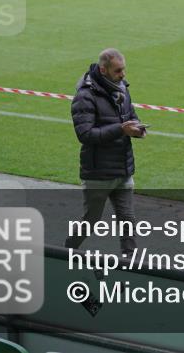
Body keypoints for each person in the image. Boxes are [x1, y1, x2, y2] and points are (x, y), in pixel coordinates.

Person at [64, 48, 146, 260]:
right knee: (91, 220)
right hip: (98, 173)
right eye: (118, 71)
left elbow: (131, 116)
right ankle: (66, 252)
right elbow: (85, 134)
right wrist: (121, 129)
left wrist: (137, 129)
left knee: (127, 219)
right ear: (103, 70)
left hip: (123, 168)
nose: (123, 75)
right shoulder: (85, 96)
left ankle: (132, 263)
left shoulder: (122, 89)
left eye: (123, 70)